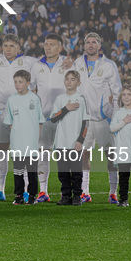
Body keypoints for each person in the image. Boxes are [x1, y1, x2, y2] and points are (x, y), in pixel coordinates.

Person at [0, 34, 37, 203]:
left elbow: (47, 66)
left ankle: (26, 190)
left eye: (12, 45)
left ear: (18, 47)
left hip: (23, 114)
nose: (8, 49)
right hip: (1, 112)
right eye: (5, 45)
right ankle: (0, 190)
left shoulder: (29, 62)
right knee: (1, 150)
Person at [74, 32, 122, 203]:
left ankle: (113, 192)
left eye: (94, 42)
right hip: (84, 121)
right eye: (88, 42)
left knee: (111, 157)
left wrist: (115, 118)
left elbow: (117, 94)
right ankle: (84, 192)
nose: (91, 45)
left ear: (99, 45)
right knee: (83, 156)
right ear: (84, 45)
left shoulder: (109, 65)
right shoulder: (78, 63)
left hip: (104, 119)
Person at [29, 33, 72, 203]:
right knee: (43, 153)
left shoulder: (69, 64)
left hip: (64, 117)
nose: (47, 47)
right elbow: (31, 88)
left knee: (64, 155)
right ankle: (43, 191)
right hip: (44, 117)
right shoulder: (37, 65)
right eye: (46, 44)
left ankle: (65, 191)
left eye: (52, 44)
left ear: (60, 47)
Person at [3, 70, 45, 205]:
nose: (17, 85)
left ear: (28, 83)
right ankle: (19, 195)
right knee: (18, 171)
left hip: (31, 142)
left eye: (20, 82)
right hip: (17, 142)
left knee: (32, 170)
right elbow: (10, 123)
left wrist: (35, 138)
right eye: (15, 82)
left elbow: (40, 121)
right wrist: (16, 136)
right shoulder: (11, 99)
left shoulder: (34, 98)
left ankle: (32, 195)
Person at [50, 71, 89, 206]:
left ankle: (77, 196)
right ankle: (66, 196)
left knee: (76, 171)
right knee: (63, 172)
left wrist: (80, 140)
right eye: (67, 79)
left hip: (75, 143)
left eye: (73, 79)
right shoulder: (60, 99)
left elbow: (86, 122)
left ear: (78, 83)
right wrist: (66, 108)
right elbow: (53, 118)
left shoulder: (82, 99)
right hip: (61, 142)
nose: (69, 81)